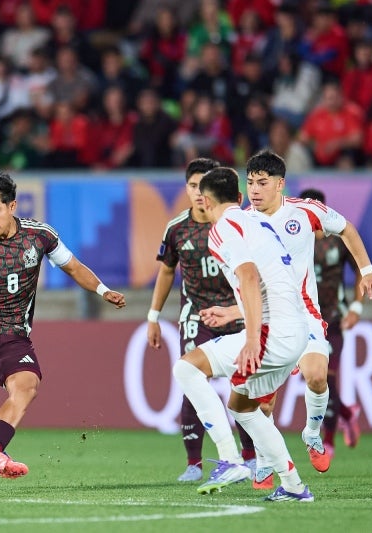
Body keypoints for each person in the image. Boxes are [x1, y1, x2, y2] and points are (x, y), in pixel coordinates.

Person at [0, 172, 126, 494]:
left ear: (12, 206)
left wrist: (103, 290)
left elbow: (73, 267)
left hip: (15, 335)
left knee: (27, 385)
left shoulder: (40, 236)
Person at [203, 149, 372, 487]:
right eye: (250, 183)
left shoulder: (305, 211)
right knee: (263, 404)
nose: (254, 190)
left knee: (317, 377)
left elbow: (346, 229)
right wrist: (233, 311)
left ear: (280, 184)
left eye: (262, 182)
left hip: (305, 315)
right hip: (268, 319)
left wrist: (367, 271)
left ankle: (312, 433)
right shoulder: (242, 222)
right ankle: (265, 459)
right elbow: (249, 281)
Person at [172, 166, 314, 502]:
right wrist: (233, 313)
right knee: (242, 407)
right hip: (296, 331)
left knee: (187, 368)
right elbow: (274, 283)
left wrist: (251, 338)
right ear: (239, 196)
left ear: (206, 202)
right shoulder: (256, 221)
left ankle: (230, 459)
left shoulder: (221, 229)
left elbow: (248, 276)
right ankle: (294, 486)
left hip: (270, 333)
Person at [147, 158, 257, 483]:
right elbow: (167, 271)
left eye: (203, 186)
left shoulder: (234, 223)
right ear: (186, 188)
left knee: (244, 384)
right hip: (198, 314)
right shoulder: (177, 228)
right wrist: (153, 316)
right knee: (191, 377)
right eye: (193, 186)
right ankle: (194, 462)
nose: (198, 193)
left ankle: (250, 457)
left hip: (237, 311)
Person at [298, 188, 362, 456]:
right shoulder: (292, 238)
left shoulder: (338, 239)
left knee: (328, 376)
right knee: (315, 379)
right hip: (304, 320)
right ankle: (347, 413)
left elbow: (360, 270)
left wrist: (356, 307)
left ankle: (329, 441)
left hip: (333, 318)